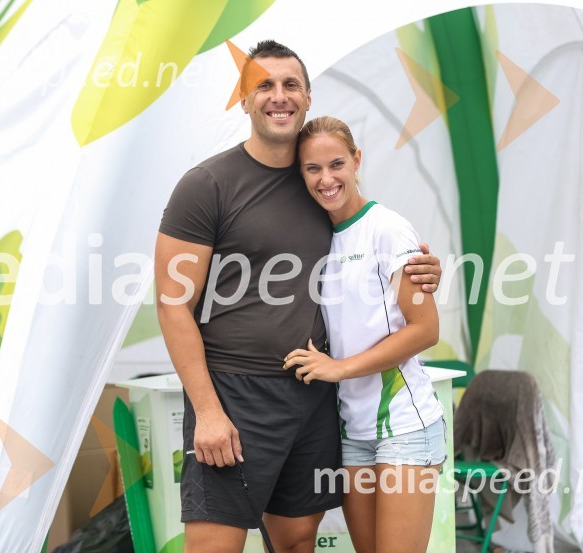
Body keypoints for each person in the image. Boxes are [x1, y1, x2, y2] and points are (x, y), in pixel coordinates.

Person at [154, 40, 442, 553]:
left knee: (295, 542)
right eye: (263, 84)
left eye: (290, 85)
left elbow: (371, 250)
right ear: (242, 99)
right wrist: (208, 410)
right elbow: (172, 303)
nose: (278, 96)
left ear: (307, 98)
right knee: (212, 547)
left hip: (313, 399)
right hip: (234, 397)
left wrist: (419, 269)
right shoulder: (206, 186)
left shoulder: (320, 183)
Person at [283, 116, 445, 553]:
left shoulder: (388, 229)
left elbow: (426, 329)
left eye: (336, 164)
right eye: (312, 169)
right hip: (353, 433)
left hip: (404, 429)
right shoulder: (316, 237)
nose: (326, 178)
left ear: (356, 160)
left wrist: (339, 369)